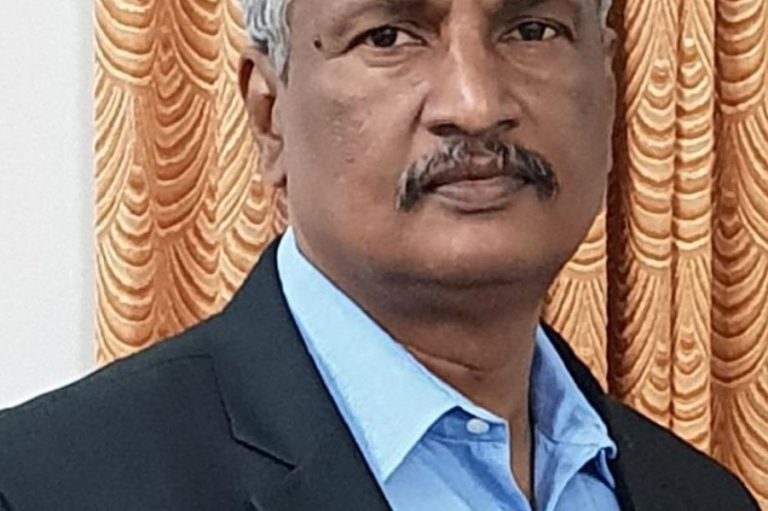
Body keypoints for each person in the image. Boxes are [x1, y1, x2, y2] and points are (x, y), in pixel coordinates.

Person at [0, 0, 759, 509]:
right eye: (388, 36)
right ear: (268, 113)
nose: (474, 103)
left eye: (532, 29)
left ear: (610, 83)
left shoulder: (698, 496)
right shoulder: (45, 487)